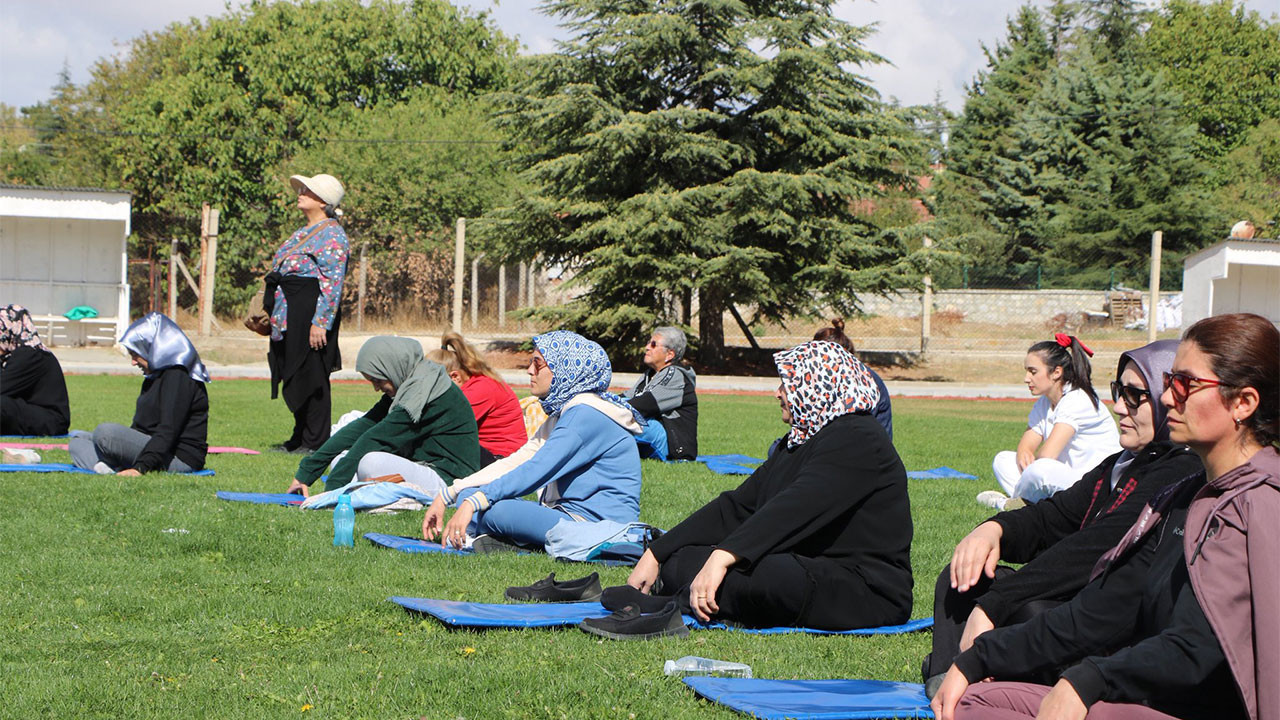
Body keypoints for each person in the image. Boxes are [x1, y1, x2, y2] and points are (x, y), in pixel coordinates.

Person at [932, 313, 1279, 720]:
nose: (1168, 399)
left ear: (1243, 403)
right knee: (979, 702)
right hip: (1144, 687)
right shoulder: (1184, 493)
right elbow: (1110, 601)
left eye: (1184, 385)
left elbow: (1197, 649)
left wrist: (1089, 678)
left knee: (1027, 623)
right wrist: (978, 659)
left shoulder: (1255, 505)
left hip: (1192, 703)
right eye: (1167, 385)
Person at [920, 339, 1202, 697]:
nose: (1118, 407)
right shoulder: (1122, 464)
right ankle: (950, 680)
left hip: (1110, 623)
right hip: (1079, 604)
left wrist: (999, 600)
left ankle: (968, 682)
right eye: (1119, 391)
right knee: (964, 576)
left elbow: (1095, 546)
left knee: (1031, 610)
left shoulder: (1180, 469)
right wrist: (994, 529)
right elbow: (1053, 517)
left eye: (1134, 395)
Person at [583, 340, 913, 638]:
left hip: (865, 589)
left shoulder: (859, 438)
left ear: (817, 386)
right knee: (686, 557)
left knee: (765, 575)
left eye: (787, 384)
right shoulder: (801, 440)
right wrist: (659, 552)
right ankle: (681, 588)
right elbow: (739, 506)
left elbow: (794, 508)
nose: (778, 393)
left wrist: (723, 557)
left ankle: (671, 605)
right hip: (811, 563)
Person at [423, 330, 643, 553]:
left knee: (493, 510)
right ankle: (510, 538)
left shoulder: (586, 414)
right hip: (566, 516)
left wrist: (477, 501)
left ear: (564, 368)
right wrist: (449, 493)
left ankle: (510, 539)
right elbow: (519, 460)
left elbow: (536, 470)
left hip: (595, 528)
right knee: (469, 496)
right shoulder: (567, 412)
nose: (529, 370)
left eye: (537, 363)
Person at [284, 336, 480, 498]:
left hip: (448, 481)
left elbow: (375, 438)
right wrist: (306, 474)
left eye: (378, 380)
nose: (376, 388)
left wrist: (331, 493)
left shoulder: (424, 392)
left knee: (370, 462)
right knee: (343, 460)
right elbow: (361, 427)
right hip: (422, 468)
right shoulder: (410, 382)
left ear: (392, 368)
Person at [983, 333, 1119, 509]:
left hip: (1094, 486)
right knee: (1003, 460)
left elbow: (1047, 456)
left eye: (1033, 371)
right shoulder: (1044, 402)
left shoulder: (1077, 400)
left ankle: (1012, 505)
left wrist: (1032, 470)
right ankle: (1032, 505)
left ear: (1056, 372)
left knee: (1041, 469)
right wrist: (1024, 453)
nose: (1026, 378)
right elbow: (1026, 445)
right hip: (1065, 478)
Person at [266, 173, 349, 453]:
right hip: (291, 308)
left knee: (312, 374)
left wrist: (320, 323)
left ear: (323, 201)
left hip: (310, 309)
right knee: (295, 373)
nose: (300, 192)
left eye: (308, 190)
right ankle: (299, 437)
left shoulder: (333, 235)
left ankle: (315, 441)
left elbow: (332, 282)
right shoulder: (302, 232)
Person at [69, 313, 208, 475]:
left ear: (154, 348)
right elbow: (140, 429)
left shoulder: (178, 376)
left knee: (105, 433)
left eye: (136, 354)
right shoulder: (154, 376)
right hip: (152, 447)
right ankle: (113, 467)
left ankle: (113, 466)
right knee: (78, 441)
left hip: (178, 457)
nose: (133, 362)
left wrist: (140, 468)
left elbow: (168, 431)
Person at [425, 332, 525, 466]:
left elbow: (442, 427)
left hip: (502, 459)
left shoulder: (479, 390)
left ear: (455, 377)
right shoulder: (477, 384)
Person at [621, 326, 698, 461]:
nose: (647, 347)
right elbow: (627, 397)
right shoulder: (650, 374)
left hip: (672, 446)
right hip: (652, 429)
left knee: (619, 416)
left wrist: (605, 407)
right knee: (614, 412)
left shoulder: (675, 375)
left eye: (653, 344)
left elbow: (643, 405)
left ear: (670, 354)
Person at [0, 304, 70, 436]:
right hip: (30, 411)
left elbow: (2, 387)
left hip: (51, 421)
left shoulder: (30, 355)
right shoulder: (15, 354)